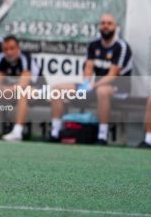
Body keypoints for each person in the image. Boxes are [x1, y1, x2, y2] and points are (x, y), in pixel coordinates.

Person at [49, 14, 132, 145]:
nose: (105, 26)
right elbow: (88, 69)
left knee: (102, 91)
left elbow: (113, 75)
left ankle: (102, 136)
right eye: (103, 23)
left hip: (117, 88)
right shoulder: (94, 44)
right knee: (57, 90)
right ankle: (55, 133)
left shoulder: (121, 47)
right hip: (94, 86)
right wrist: (86, 84)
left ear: (116, 27)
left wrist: (92, 86)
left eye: (109, 23)